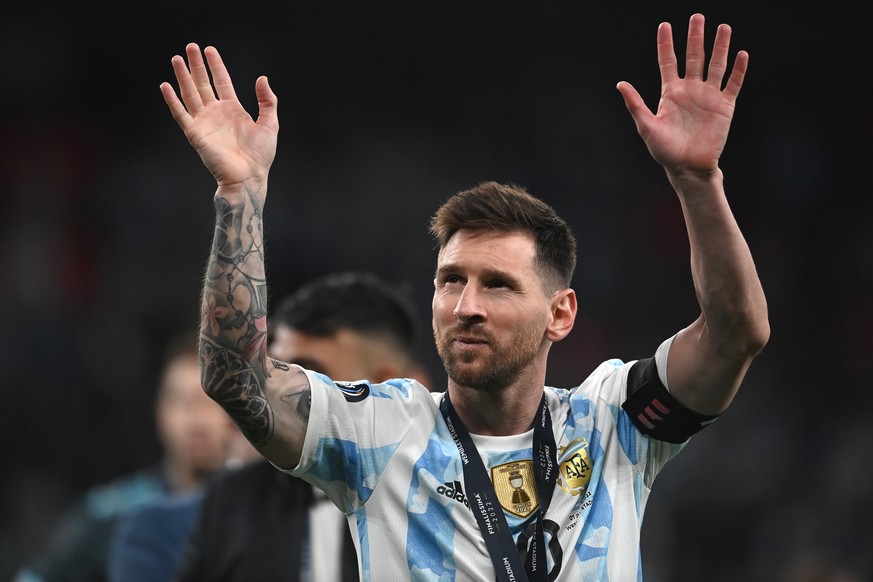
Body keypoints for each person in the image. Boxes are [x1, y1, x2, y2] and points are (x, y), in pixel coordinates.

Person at [160, 12, 769, 581]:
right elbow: (236, 378)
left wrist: (697, 182)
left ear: (561, 314)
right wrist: (239, 193)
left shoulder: (614, 423)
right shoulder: (377, 430)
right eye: (451, 280)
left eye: (498, 284)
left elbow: (735, 334)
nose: (465, 305)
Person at [106, 272, 429, 582]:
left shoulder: (446, 494)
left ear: (384, 385)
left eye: (308, 379)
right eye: (273, 375)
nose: (274, 397)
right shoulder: (233, 502)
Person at [14, 335, 236, 582]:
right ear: (160, 412)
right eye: (181, 402)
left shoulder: (260, 510)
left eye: (212, 401)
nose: (197, 422)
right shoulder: (113, 514)